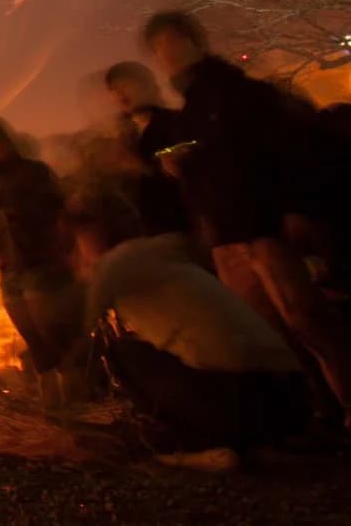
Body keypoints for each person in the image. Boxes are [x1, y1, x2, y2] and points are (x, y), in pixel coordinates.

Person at [143, 10, 351, 424]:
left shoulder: (235, 92)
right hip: (228, 237)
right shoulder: (189, 111)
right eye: (158, 49)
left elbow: (279, 151)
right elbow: (209, 172)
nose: (166, 54)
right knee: (269, 334)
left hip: (263, 228)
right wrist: (180, 169)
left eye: (172, 42)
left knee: (307, 321)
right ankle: (315, 414)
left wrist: (293, 209)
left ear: (195, 42)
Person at [71, 192, 307, 469]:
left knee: (125, 352)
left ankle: (189, 445)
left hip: (243, 399)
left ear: (93, 234)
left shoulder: (118, 264)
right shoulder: (160, 254)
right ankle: (252, 442)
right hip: (292, 397)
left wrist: (67, 399)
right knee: (144, 346)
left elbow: (77, 333)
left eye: (78, 240)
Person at [0, 117, 82, 403]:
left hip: (42, 265)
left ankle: (79, 395)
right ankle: (53, 403)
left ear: (3, 141)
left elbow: (57, 213)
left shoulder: (33, 173)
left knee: (53, 332)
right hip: (9, 269)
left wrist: (17, 211)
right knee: (33, 337)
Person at [100, 62, 197, 239]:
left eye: (125, 85)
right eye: (113, 90)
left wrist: (143, 168)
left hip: (183, 229)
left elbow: (193, 174)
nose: (119, 93)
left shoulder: (176, 123)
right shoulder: (123, 136)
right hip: (147, 234)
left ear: (147, 85)